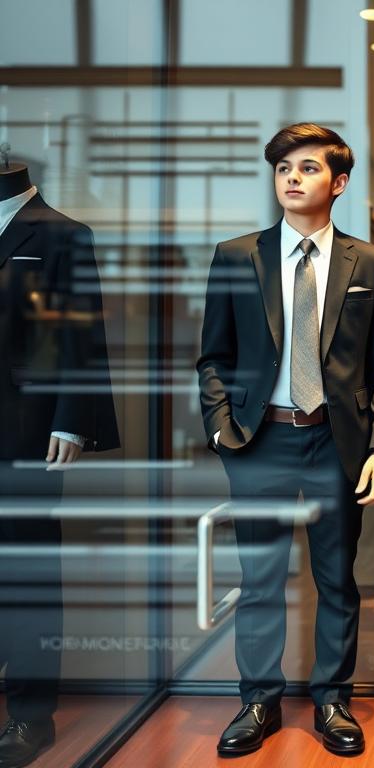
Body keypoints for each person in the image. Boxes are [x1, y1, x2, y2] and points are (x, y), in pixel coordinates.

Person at [196, 123, 374, 757]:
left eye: (307, 168)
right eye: (284, 168)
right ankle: (258, 699)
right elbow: (212, 357)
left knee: (336, 579)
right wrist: (223, 427)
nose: (291, 177)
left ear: (337, 183)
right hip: (260, 442)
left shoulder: (372, 263)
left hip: (335, 444)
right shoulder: (238, 256)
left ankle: (333, 700)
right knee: (259, 578)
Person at [0, 156, 118, 768]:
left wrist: (74, 417)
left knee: (27, 573)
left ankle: (29, 713)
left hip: (23, 429)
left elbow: (82, 331)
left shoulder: (60, 232)